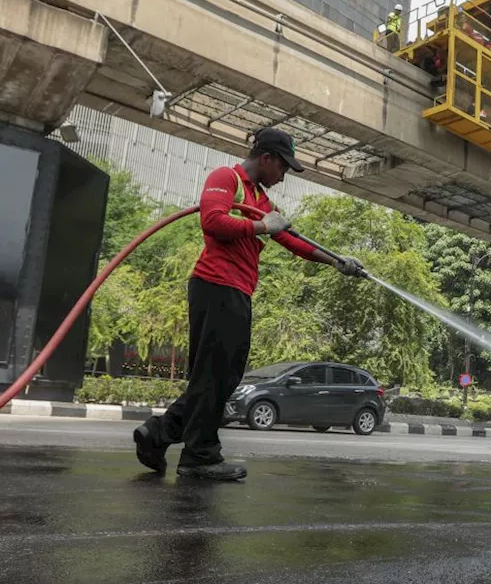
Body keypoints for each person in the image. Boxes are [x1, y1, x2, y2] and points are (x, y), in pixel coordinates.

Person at [132, 128, 364, 481]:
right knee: (212, 376)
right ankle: (199, 457)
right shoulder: (227, 178)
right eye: (283, 168)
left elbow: (290, 239)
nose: (283, 177)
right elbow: (211, 221)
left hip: (238, 292)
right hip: (214, 286)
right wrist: (259, 226)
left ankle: (159, 433)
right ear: (266, 157)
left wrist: (336, 261)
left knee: (223, 378)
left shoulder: (261, 198)